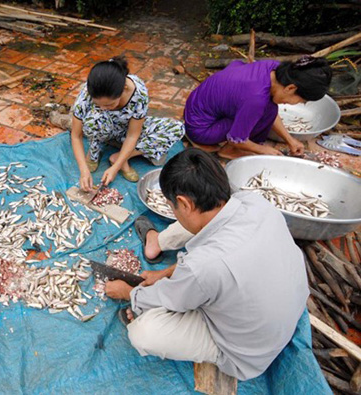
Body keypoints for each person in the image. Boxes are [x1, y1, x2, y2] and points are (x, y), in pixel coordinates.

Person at [104, 149, 309, 381]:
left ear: (183, 202)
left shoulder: (202, 266)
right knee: (204, 221)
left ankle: (217, 351)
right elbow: (205, 268)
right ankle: (156, 243)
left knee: (144, 332)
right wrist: (164, 273)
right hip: (285, 306)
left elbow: (171, 298)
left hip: (247, 351)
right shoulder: (255, 202)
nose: (173, 211)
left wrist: (129, 293)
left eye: (172, 206)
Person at [184, 56, 332, 159]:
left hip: (198, 107)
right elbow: (236, 139)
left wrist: (290, 140)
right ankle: (230, 151)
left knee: (269, 108)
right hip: (200, 128)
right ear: (291, 88)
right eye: (300, 100)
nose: (295, 103)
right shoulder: (256, 100)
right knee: (263, 111)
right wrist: (263, 150)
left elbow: (269, 110)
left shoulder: (273, 68)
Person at [71, 56, 185, 190]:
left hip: (125, 129)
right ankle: (94, 150)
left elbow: (132, 135)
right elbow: (76, 135)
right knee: (93, 120)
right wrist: (83, 170)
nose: (103, 108)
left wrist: (116, 167)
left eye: (109, 104)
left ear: (124, 88)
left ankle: (120, 157)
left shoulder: (139, 93)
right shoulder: (86, 93)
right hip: (101, 127)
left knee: (176, 128)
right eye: (98, 105)